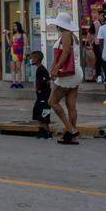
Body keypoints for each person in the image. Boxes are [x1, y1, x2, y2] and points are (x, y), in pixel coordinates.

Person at [46, 12, 81, 145]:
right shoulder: (74, 36)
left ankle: (70, 129)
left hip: (68, 73)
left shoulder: (66, 34)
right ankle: (71, 136)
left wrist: (55, 68)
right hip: (76, 72)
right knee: (71, 105)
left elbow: (65, 52)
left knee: (52, 101)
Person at [31, 50, 52, 139]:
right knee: (37, 111)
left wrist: (40, 91)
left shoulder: (41, 70)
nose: (31, 60)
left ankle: (47, 132)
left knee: (44, 114)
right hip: (40, 96)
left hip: (44, 96)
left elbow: (46, 82)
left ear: (37, 59)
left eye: (32, 58)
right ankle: (41, 130)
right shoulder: (39, 69)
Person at [3, 22, 26, 88]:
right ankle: (13, 82)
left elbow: (24, 45)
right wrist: (7, 35)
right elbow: (10, 44)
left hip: (19, 53)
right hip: (12, 53)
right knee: (13, 68)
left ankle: (19, 82)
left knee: (18, 68)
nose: (14, 27)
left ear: (18, 26)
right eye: (13, 26)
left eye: (15, 26)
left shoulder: (23, 35)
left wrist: (24, 54)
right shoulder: (13, 35)